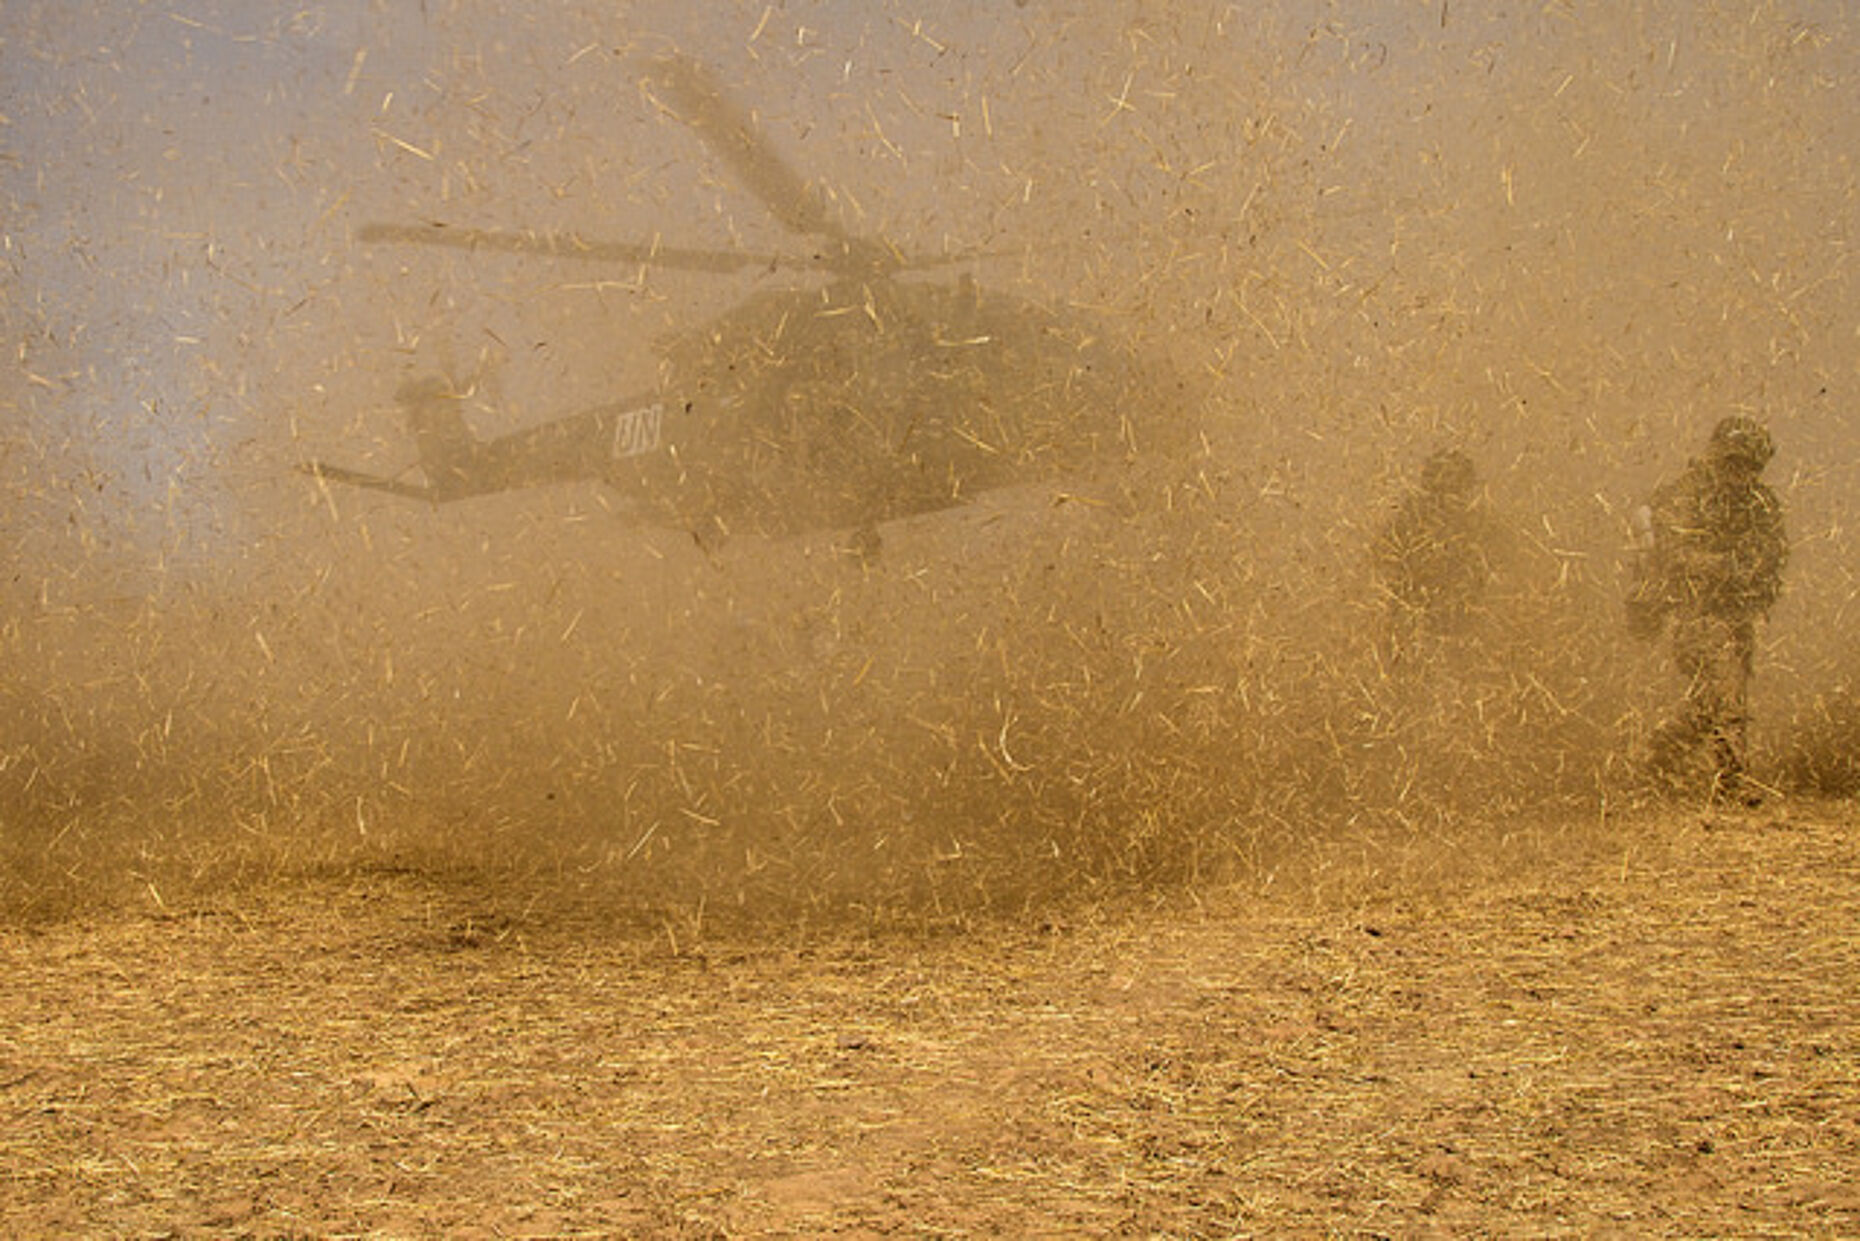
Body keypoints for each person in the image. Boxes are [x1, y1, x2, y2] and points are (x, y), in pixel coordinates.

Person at [1627, 414, 1788, 801]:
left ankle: (1655, 757)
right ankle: (1733, 781)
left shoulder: (1760, 503)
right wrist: (1726, 567)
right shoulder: (1687, 495)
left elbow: (1773, 555)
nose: (1740, 473)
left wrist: (1751, 574)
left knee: (1707, 706)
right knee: (1727, 694)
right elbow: (1672, 553)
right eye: (1733, 463)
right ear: (1718, 457)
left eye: (1749, 465)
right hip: (1695, 614)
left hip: (1737, 616)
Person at [1372, 447, 1497, 671]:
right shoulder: (1410, 517)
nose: (1450, 489)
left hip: (1459, 625)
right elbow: (1381, 558)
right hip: (1414, 622)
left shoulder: (1479, 524)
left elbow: (1496, 573)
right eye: (1445, 480)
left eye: (1456, 481)